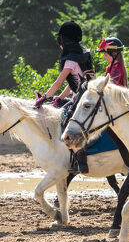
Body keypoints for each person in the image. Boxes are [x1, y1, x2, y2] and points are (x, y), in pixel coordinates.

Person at [34, 20, 93, 174]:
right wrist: (59, 98)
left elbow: (59, 81)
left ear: (64, 41)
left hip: (81, 98)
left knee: (67, 122)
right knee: (62, 110)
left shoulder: (70, 59)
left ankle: (80, 160)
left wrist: (44, 97)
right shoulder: (82, 54)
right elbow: (73, 83)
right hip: (84, 95)